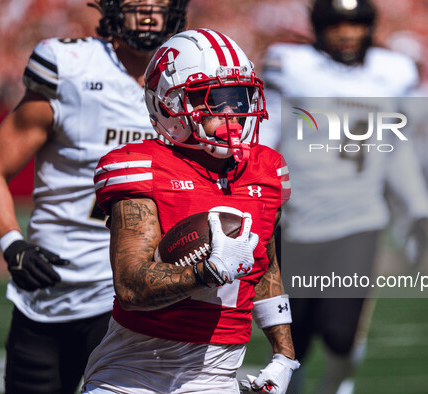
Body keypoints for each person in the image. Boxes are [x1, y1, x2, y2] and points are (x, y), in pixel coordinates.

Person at [82, 28, 299, 393]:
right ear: (169, 103)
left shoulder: (267, 169)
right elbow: (131, 287)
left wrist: (283, 355)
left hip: (217, 377)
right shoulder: (142, 167)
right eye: (214, 98)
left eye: (239, 97)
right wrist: (206, 271)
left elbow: (264, 265)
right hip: (133, 374)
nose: (232, 112)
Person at [0, 1, 189, 392]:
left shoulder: (189, 78)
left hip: (133, 295)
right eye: (137, 3)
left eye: (159, 3)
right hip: (50, 289)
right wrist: (12, 243)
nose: (149, 14)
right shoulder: (72, 67)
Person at [259, 0, 428, 393]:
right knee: (295, 334)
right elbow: (264, 133)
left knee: (341, 334)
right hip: (295, 220)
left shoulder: (391, 73)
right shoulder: (291, 64)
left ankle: (335, 387)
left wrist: (419, 207)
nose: (346, 33)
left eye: (354, 24)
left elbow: (396, 146)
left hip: (359, 219)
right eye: (336, 23)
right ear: (319, 26)